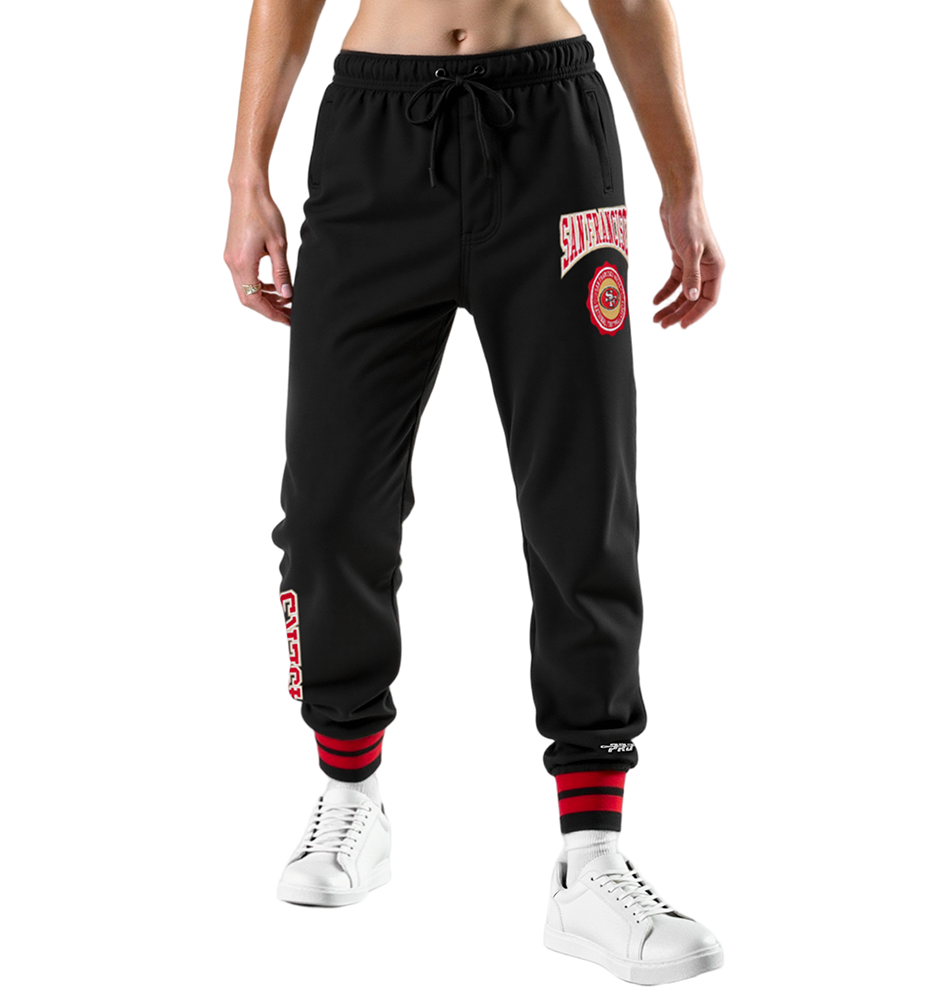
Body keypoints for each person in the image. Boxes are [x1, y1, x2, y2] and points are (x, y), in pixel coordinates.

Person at [224, 0, 725, 985]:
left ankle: (590, 857)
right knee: (328, 507)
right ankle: (350, 789)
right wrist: (248, 176)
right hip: (374, 137)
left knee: (583, 500)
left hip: (550, 133)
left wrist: (685, 182)